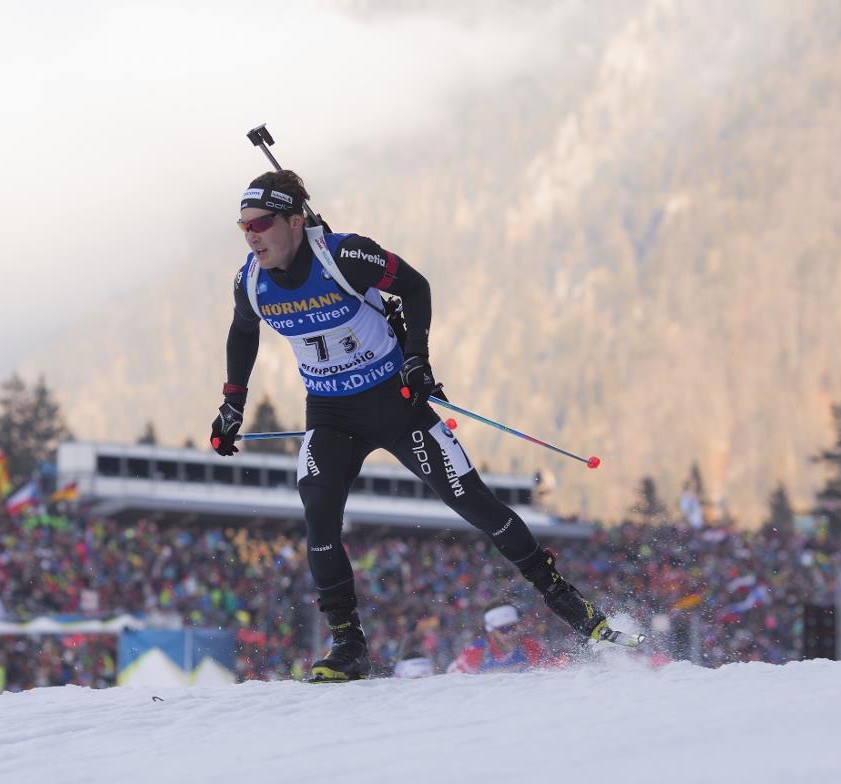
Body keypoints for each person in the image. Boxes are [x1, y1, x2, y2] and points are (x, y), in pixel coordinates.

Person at [211, 169, 616, 682]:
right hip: (330, 414)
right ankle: (348, 645)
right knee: (318, 516)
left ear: (295, 222)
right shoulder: (251, 281)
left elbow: (414, 286)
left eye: (261, 223)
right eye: (243, 226)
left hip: (395, 404)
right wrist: (232, 404)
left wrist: (417, 359)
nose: (251, 235)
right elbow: (242, 331)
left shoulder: (345, 255)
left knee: (474, 502)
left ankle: (570, 603)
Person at [447, 603, 557, 674]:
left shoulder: (530, 646)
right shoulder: (478, 651)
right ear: (492, 632)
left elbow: (552, 670)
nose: (511, 633)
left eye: (514, 627)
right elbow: (454, 678)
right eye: (504, 629)